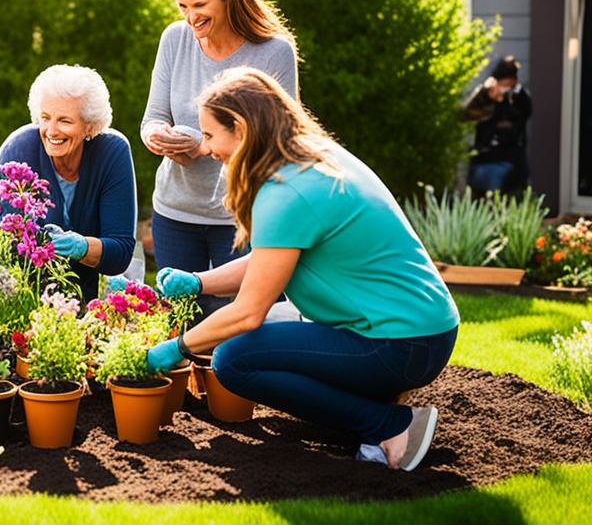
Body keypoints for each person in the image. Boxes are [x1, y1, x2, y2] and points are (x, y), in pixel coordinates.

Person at [146, 67, 459, 472]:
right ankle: (375, 404)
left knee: (235, 360)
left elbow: (247, 312)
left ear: (239, 128)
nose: (205, 148)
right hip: (419, 331)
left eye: (209, 135)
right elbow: (270, 261)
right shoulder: (310, 160)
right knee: (269, 336)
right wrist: (198, 282)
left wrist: (178, 348)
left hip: (401, 343)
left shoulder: (286, 191)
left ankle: (389, 426)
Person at [141, 0, 298, 319]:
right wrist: (157, 136)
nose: (190, 17)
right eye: (182, 6)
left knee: (247, 327)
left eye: (199, 5)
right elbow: (152, 118)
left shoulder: (273, 52)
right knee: (182, 324)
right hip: (176, 213)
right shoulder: (174, 40)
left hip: (242, 217)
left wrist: (199, 143)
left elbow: (281, 142)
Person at [0, 64, 138, 303]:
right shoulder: (20, 148)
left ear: (89, 125)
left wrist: (81, 247)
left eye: (64, 121)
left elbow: (120, 252)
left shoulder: (112, 152)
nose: (51, 131)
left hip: (80, 303)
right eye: (45, 118)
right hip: (15, 298)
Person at [465, 56, 532, 194]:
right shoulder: (486, 97)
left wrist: (509, 97)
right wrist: (485, 94)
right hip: (484, 157)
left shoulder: (519, 97)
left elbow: (525, 112)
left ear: (513, 81)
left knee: (509, 193)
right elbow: (468, 114)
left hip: (511, 158)